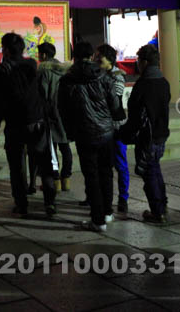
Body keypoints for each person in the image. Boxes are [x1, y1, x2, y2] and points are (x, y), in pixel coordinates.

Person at [59, 41, 124, 231]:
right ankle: (107, 212)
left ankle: (97, 220)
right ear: (90, 56)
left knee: (92, 175)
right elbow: (114, 103)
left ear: (75, 57)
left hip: (84, 133)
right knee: (106, 172)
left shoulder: (67, 80)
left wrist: (69, 131)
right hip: (106, 132)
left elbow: (63, 109)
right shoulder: (103, 76)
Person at [0, 33, 47, 215]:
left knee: (16, 166)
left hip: (15, 124)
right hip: (36, 120)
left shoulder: (2, 71)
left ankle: (21, 203)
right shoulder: (32, 65)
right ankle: (50, 201)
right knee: (42, 161)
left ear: (6, 50)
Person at [123, 44, 170, 224]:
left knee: (149, 172)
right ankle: (162, 205)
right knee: (155, 168)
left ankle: (157, 212)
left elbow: (135, 115)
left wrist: (126, 133)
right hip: (161, 134)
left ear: (144, 62)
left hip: (147, 136)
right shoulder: (163, 82)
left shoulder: (143, 85)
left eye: (138, 61)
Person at [97, 44, 130, 214]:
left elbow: (114, 103)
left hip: (116, 126)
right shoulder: (101, 75)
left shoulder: (117, 77)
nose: (96, 60)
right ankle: (99, 198)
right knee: (104, 165)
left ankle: (123, 198)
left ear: (109, 60)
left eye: (99, 57)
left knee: (120, 164)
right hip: (104, 125)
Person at [35, 42, 72, 192]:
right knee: (65, 146)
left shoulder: (43, 71)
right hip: (64, 112)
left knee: (51, 149)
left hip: (49, 113)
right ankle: (66, 179)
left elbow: (42, 94)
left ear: (43, 55)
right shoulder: (65, 71)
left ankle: (54, 180)